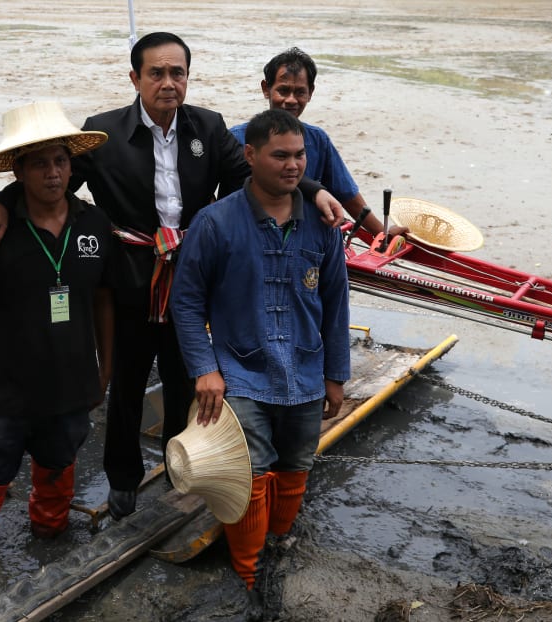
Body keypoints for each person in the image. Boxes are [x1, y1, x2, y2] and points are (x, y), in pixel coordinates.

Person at [0, 32, 344, 522]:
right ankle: (123, 478)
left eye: (178, 73)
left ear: (188, 77)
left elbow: (262, 173)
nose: (168, 83)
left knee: (186, 377)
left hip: (191, 275)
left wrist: (314, 190)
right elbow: (51, 177)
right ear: (136, 78)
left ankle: (181, 465)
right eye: (157, 73)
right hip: (126, 276)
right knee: (125, 383)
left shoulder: (207, 128)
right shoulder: (103, 133)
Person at [169, 108, 351, 619]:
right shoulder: (215, 223)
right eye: (280, 156)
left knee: (297, 465)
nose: (293, 166)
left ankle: (280, 548)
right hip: (240, 373)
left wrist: (337, 373)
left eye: (299, 156)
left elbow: (337, 302)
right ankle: (249, 572)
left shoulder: (322, 224)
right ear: (250, 156)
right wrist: (205, 368)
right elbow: (186, 302)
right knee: (248, 472)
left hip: (307, 369)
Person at [0, 101, 115, 550]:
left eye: (60, 161)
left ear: (71, 167)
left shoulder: (95, 225)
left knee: (59, 468)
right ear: (18, 173)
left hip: (69, 388)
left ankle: (49, 536)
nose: (52, 173)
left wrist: (104, 369)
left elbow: (104, 301)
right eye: (39, 164)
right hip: (3, 393)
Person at [230, 47, 408, 239]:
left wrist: (382, 232)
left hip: (303, 238)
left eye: (299, 92)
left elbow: (347, 195)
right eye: (283, 90)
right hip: (249, 235)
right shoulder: (236, 139)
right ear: (266, 89)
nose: (291, 100)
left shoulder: (318, 140)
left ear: (310, 93)